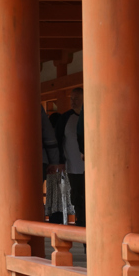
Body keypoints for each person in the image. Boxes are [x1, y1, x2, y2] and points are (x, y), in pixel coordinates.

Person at [55, 88, 86, 227]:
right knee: (77, 196)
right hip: (74, 165)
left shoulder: (90, 115)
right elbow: (58, 140)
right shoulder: (65, 118)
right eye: (71, 99)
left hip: (92, 166)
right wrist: (60, 161)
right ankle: (81, 223)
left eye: (76, 99)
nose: (73, 102)